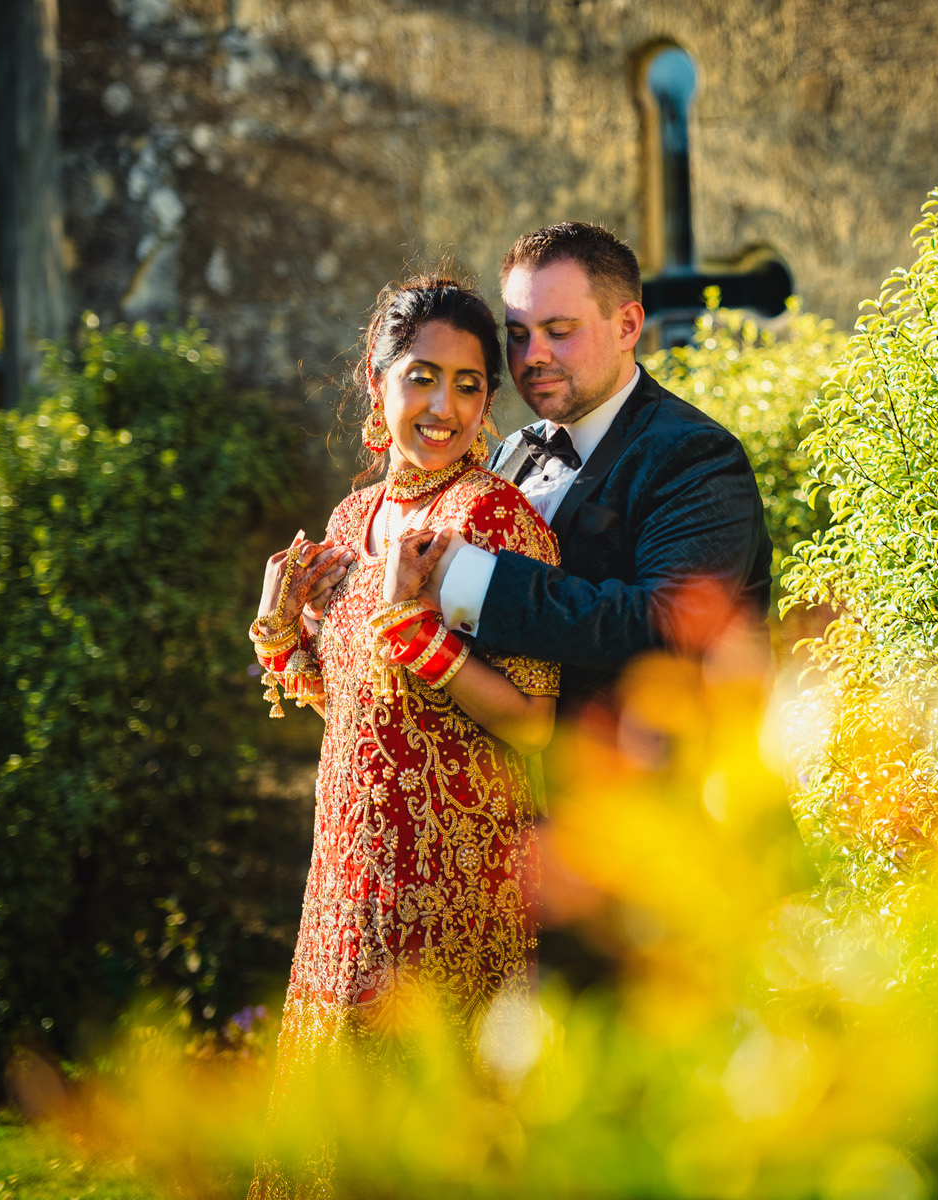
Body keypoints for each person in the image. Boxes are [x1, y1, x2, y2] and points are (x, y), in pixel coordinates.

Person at [245, 276, 559, 1199]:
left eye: (469, 386)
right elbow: (358, 710)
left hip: (453, 889)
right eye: (424, 377)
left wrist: (412, 633)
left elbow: (534, 719)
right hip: (349, 873)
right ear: (377, 382)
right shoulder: (351, 524)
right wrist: (279, 635)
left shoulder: (492, 520)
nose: (446, 407)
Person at [388, 223, 774, 736]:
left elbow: (669, 627)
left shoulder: (694, 455)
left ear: (627, 326)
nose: (533, 356)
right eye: (519, 335)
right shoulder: (509, 452)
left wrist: (471, 583)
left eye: (559, 331)